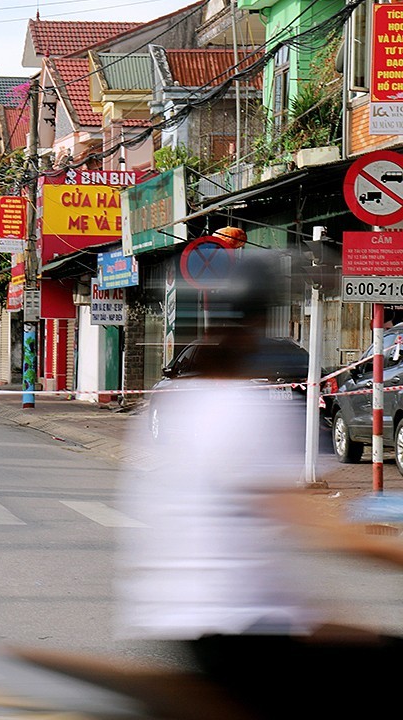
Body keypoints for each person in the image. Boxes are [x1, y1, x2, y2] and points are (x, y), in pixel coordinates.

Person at [115, 250, 403, 719]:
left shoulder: (180, 403)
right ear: (261, 323)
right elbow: (322, 529)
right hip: (240, 631)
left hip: (187, 622)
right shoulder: (246, 410)